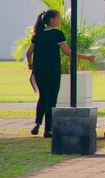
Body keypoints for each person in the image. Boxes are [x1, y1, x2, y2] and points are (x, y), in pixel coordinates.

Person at [24, 9, 97, 137]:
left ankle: (37, 123)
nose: (60, 20)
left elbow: (29, 53)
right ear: (52, 19)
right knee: (52, 99)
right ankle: (48, 129)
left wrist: (30, 64)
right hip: (52, 70)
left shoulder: (38, 35)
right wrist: (87, 57)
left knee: (42, 96)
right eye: (58, 18)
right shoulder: (57, 34)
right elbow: (67, 52)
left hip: (39, 70)